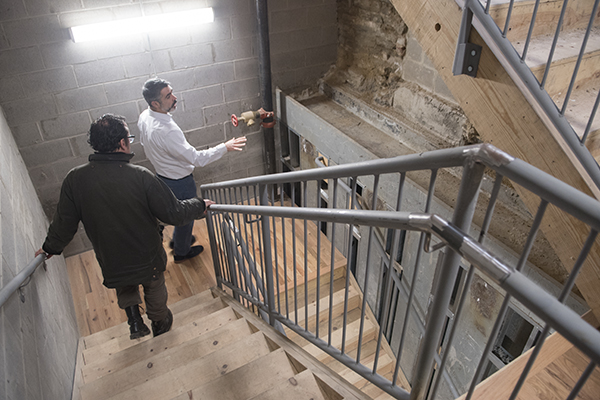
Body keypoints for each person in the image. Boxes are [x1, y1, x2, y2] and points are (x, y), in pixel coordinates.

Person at [35, 114, 214, 340]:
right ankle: (159, 322)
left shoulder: (74, 179)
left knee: (124, 284)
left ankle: (134, 321)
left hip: (111, 256)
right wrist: (200, 205)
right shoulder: (141, 176)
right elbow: (173, 213)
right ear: (122, 143)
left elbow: (64, 223)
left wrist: (49, 248)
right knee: (154, 285)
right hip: (146, 253)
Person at [138, 77, 246, 263]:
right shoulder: (166, 130)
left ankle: (180, 241)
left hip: (162, 176)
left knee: (179, 212)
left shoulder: (144, 116)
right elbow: (196, 158)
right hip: (179, 181)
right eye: (168, 96)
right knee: (186, 216)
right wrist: (224, 147)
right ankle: (181, 251)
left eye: (171, 92)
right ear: (155, 103)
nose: (174, 97)